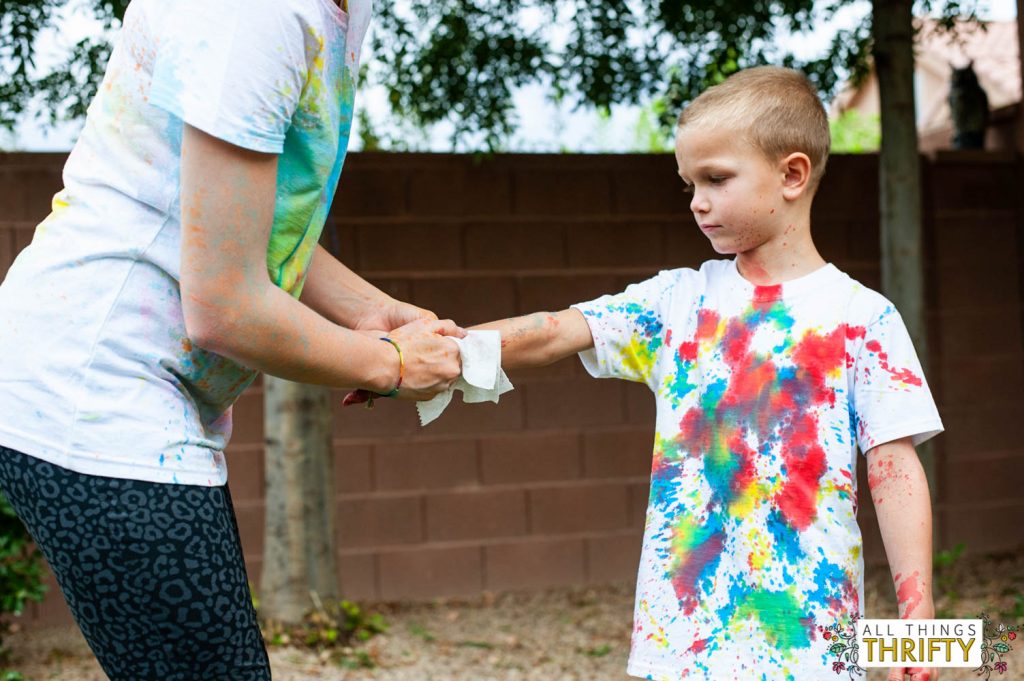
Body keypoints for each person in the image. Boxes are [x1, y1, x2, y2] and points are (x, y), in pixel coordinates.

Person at [0, 0, 463, 679]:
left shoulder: (339, 11)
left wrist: (374, 311)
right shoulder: (257, 11)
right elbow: (222, 305)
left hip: (129, 394)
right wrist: (390, 363)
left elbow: (243, 219)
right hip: (92, 391)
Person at [474, 66, 942, 681]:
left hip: (813, 646)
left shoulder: (863, 317)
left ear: (792, 175)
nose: (697, 200)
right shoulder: (676, 302)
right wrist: (428, 357)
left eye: (716, 179)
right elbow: (557, 331)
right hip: (679, 642)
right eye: (689, 182)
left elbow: (893, 465)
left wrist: (919, 617)